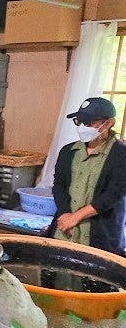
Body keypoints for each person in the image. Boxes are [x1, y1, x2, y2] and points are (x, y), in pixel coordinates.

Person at [49, 97, 126, 256]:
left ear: (109, 123)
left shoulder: (121, 154)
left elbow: (114, 194)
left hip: (100, 235)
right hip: (65, 230)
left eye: (89, 123)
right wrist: (65, 215)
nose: (83, 127)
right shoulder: (68, 151)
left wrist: (76, 217)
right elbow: (59, 186)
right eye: (79, 122)